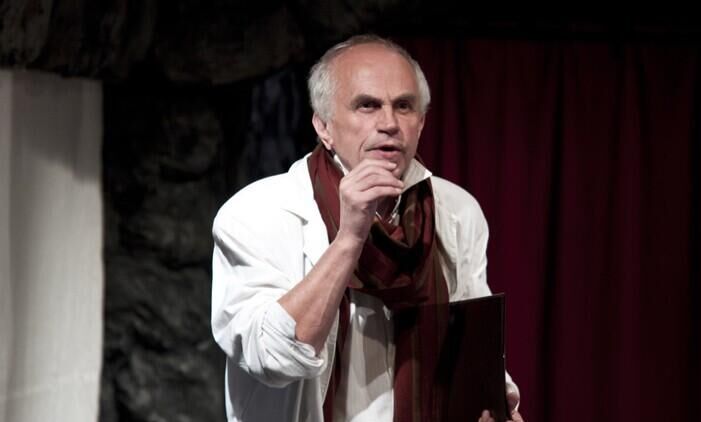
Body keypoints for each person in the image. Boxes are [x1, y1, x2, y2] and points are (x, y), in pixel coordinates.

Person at [211, 34, 524, 422]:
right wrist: (349, 239)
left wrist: (495, 400)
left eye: (404, 106)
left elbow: (470, 347)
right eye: (367, 105)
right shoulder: (258, 212)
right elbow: (272, 358)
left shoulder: (456, 210)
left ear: (422, 122)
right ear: (324, 126)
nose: (389, 124)